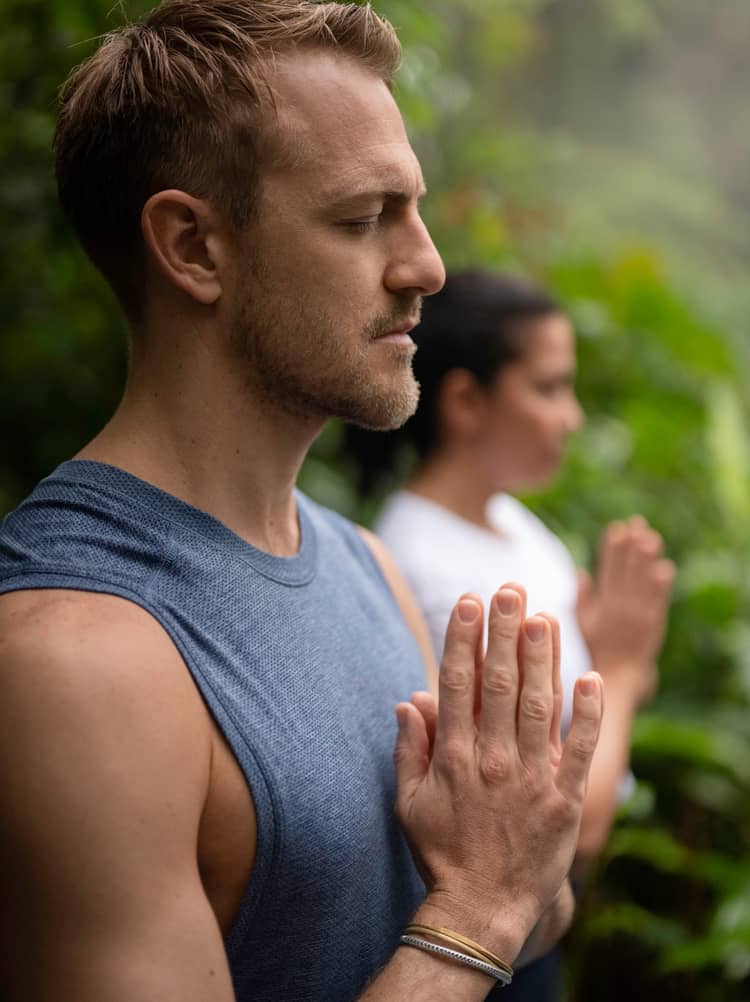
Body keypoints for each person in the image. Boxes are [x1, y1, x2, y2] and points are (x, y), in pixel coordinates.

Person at [0, 6, 604, 1001]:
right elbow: (483, 916)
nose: (427, 266)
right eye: (363, 218)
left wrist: (516, 851)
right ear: (194, 247)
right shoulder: (72, 661)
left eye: (413, 210)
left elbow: (518, 907)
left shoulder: (368, 569)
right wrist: (478, 912)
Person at [345, 269, 675, 1000]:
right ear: (466, 400)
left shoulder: (518, 528)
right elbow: (569, 835)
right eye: (550, 389)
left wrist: (601, 650)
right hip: (482, 951)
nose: (573, 418)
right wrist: (618, 672)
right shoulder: (424, 571)